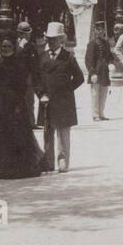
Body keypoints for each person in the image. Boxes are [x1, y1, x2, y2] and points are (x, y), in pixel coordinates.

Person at [0, 32, 45, 179]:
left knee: (16, 135)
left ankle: (16, 169)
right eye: (3, 46)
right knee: (0, 136)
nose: (6, 49)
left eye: (9, 46)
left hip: (15, 104)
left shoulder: (18, 65)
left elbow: (22, 87)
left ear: (13, 48)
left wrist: (17, 103)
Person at [37, 21, 84, 172]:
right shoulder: (42, 57)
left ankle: (62, 160)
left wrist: (66, 91)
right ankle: (48, 162)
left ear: (61, 40)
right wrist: (41, 94)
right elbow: (36, 79)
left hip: (63, 102)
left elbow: (79, 78)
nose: (51, 42)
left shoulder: (68, 57)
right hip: (46, 101)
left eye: (54, 39)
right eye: (49, 39)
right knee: (47, 133)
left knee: (63, 133)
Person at [85, 30, 113, 121]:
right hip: (96, 71)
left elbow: (110, 56)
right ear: (95, 32)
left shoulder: (106, 43)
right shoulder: (92, 44)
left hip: (104, 71)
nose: (100, 33)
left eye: (102, 31)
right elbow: (88, 59)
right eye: (98, 31)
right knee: (95, 93)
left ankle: (101, 113)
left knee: (103, 93)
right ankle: (95, 114)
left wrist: (111, 63)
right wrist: (92, 72)